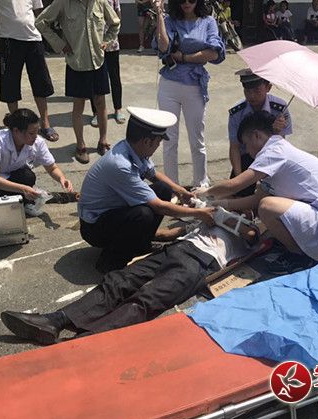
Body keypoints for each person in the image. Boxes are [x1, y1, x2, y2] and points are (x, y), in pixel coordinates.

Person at [0, 221, 257, 345]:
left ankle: (84, 342)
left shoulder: (255, 218)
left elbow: (253, 234)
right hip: (177, 247)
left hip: (203, 261)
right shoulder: (214, 208)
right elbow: (173, 230)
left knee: (148, 298)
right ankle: (55, 320)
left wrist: (225, 210)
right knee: (118, 280)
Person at [196, 111, 318, 262]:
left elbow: (234, 185)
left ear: (256, 135)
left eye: (246, 144)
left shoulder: (273, 152)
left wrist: (206, 192)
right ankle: (304, 249)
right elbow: (256, 199)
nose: (247, 151)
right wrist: (218, 205)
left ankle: (299, 257)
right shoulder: (278, 148)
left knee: (267, 207)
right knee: (266, 213)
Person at [78, 106, 216, 273]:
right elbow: (159, 206)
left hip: (112, 213)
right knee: (143, 214)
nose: (158, 146)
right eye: (158, 142)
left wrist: (180, 191)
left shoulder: (132, 149)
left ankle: (140, 245)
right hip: (94, 228)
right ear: (146, 142)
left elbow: (153, 174)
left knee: (164, 189)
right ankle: (110, 262)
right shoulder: (120, 165)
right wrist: (199, 213)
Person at [36, 0, 120, 164]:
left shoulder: (100, 2)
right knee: (79, 105)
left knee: (100, 102)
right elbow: (41, 22)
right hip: (76, 63)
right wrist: (59, 44)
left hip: (97, 61)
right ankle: (80, 145)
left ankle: (103, 141)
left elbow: (115, 23)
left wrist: (107, 41)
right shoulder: (63, 3)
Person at [153, 0, 226, 187]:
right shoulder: (169, 20)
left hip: (195, 85)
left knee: (197, 139)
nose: (186, 3)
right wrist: (160, 14)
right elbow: (163, 46)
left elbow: (214, 53)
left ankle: (200, 184)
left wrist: (184, 57)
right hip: (169, 85)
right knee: (169, 139)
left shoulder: (208, 21)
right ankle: (172, 187)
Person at [0, 109, 73, 217]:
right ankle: (18, 200)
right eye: (31, 133)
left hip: (13, 176)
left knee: (28, 177)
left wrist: (61, 178)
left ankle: (23, 202)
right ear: (16, 131)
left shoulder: (38, 142)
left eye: (37, 132)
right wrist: (23, 189)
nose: (35, 137)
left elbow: (52, 168)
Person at [0, 0, 58, 142]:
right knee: (9, 83)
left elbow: (38, 13)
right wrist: (3, 26)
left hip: (33, 39)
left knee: (41, 81)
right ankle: (16, 124)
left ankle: (45, 123)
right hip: (8, 40)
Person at [228, 69, 292, 197]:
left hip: (272, 156)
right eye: (247, 91)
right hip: (247, 156)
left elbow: (281, 146)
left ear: (268, 87)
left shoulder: (280, 109)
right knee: (239, 194)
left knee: (279, 193)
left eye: (257, 90)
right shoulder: (236, 112)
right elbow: (234, 147)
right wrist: (239, 179)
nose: (251, 96)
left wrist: (277, 131)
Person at [90, 0, 125, 128]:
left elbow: (118, 17)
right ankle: (96, 112)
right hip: (94, 45)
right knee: (94, 80)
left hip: (111, 44)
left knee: (115, 77)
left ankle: (118, 109)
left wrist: (111, 36)